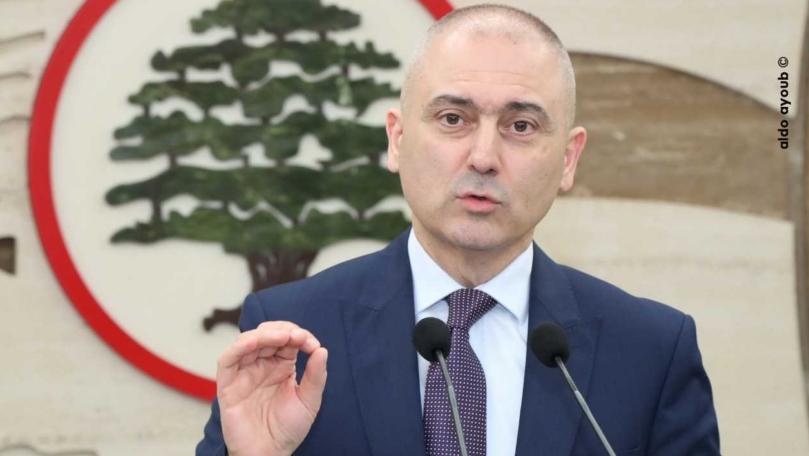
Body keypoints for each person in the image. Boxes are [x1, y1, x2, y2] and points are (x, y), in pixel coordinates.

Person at [197, 4, 720, 456]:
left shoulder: (650, 351)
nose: (484, 157)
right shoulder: (294, 335)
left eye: (521, 126)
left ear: (568, 158)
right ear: (397, 139)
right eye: (453, 118)